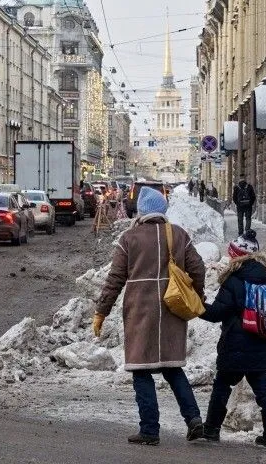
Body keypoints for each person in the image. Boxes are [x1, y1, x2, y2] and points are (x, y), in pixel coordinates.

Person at [93, 186, 206, 446]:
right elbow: (198, 268)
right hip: (171, 309)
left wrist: (101, 311)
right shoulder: (179, 235)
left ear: (141, 211)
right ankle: (194, 419)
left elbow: (115, 279)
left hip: (140, 311)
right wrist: (198, 295)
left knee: (141, 372)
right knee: (173, 368)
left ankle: (150, 430)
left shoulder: (129, 238)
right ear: (163, 210)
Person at [199, 235, 266, 447]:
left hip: (235, 345)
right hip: (262, 343)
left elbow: (218, 312)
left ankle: (211, 429)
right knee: (263, 390)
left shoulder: (234, 279)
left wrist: (197, 306)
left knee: (222, 386)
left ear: (237, 256)